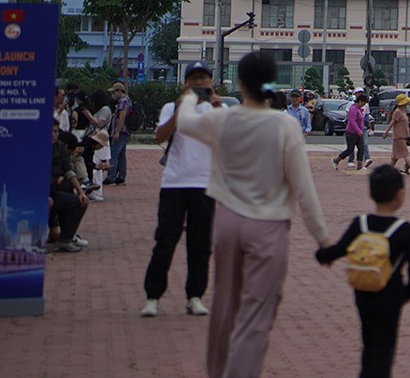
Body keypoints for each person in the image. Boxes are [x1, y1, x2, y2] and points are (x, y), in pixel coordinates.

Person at [171, 50, 332, 378]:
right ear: (274, 80)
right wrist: (322, 238)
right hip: (269, 228)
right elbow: (304, 189)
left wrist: (190, 97)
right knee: (256, 317)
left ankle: (216, 371)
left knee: (224, 306)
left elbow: (186, 124)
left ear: (240, 83)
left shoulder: (224, 118)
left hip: (228, 222)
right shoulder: (285, 125)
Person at [316, 164, 410, 378]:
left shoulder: (361, 224)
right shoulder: (404, 229)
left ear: (371, 193)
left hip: (363, 291)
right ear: (400, 195)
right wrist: (408, 291)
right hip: (390, 294)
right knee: (384, 347)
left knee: (368, 341)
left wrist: (322, 255)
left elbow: (340, 249)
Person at [143, 61, 221, 317]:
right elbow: (159, 137)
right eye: (194, 78)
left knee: (200, 244)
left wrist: (217, 106)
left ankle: (195, 296)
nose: (199, 83)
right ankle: (153, 296)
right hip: (175, 182)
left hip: (204, 184)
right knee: (165, 240)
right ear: (186, 82)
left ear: (210, 82)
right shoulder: (171, 107)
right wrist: (179, 110)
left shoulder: (214, 109)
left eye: (204, 78)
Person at [48, 121, 90, 250]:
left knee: (79, 201)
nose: (53, 134)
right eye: (51, 131)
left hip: (56, 192)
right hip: (40, 194)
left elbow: (69, 172)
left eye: (56, 131)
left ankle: (66, 238)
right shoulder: (36, 148)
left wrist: (81, 192)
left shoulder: (60, 147)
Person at [108, 81, 135, 186]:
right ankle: (121, 177)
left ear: (119, 91)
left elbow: (122, 117)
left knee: (114, 154)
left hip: (121, 131)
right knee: (121, 155)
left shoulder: (123, 101)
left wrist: (117, 132)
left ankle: (111, 177)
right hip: (125, 131)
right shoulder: (126, 100)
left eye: (114, 92)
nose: (113, 94)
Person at [335, 92, 369, 172]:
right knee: (350, 149)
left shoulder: (359, 109)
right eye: (364, 102)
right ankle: (336, 160)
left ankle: (360, 166)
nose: (364, 104)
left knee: (361, 148)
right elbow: (352, 121)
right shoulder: (353, 109)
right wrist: (358, 130)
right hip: (351, 132)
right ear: (360, 101)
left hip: (358, 132)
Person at [389, 95, 410, 171]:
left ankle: (389, 170)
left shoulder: (403, 111)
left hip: (403, 135)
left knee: (395, 157)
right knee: (405, 153)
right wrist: (386, 132)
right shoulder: (397, 111)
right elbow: (392, 122)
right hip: (398, 136)